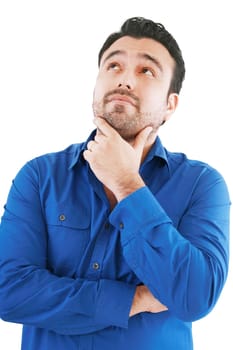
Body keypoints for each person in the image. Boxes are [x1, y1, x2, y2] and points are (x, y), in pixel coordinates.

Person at [0, 16, 230, 350]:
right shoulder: (39, 176)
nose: (124, 80)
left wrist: (127, 184)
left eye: (146, 71)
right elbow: (8, 292)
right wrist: (133, 299)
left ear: (170, 105)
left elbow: (195, 298)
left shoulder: (202, 184)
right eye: (114, 66)